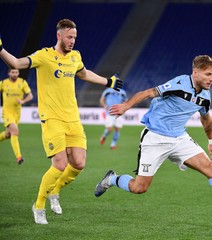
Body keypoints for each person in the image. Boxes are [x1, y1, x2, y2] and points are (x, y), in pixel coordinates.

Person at [94, 55, 212, 221]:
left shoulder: (205, 96)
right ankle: (111, 179)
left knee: (210, 168)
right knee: (139, 188)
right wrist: (125, 106)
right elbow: (148, 92)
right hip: (155, 138)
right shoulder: (179, 83)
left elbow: (206, 119)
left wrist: (211, 142)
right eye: (208, 74)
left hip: (180, 138)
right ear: (195, 73)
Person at [0, 19, 123, 224]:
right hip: (52, 118)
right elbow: (17, 63)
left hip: (73, 118)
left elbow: (84, 73)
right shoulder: (44, 56)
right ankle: (39, 205)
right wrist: (1, 49)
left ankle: (54, 192)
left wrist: (107, 81)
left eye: (74, 37)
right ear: (59, 36)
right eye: (69, 37)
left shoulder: (75, 56)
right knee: (59, 164)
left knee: (79, 163)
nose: (73, 41)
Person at [0, 68, 33, 164]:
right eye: (12, 72)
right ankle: (19, 157)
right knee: (15, 131)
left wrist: (23, 101)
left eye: (16, 72)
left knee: (8, 134)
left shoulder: (22, 82)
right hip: (7, 112)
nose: (14, 74)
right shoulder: (3, 83)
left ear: (18, 73)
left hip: (17, 113)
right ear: (8, 73)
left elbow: (30, 95)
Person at [99, 85, 127, 149]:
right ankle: (104, 136)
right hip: (109, 113)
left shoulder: (122, 92)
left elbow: (126, 101)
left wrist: (123, 106)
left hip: (118, 113)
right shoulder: (107, 91)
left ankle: (113, 144)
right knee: (109, 129)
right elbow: (102, 99)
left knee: (117, 129)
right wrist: (104, 105)